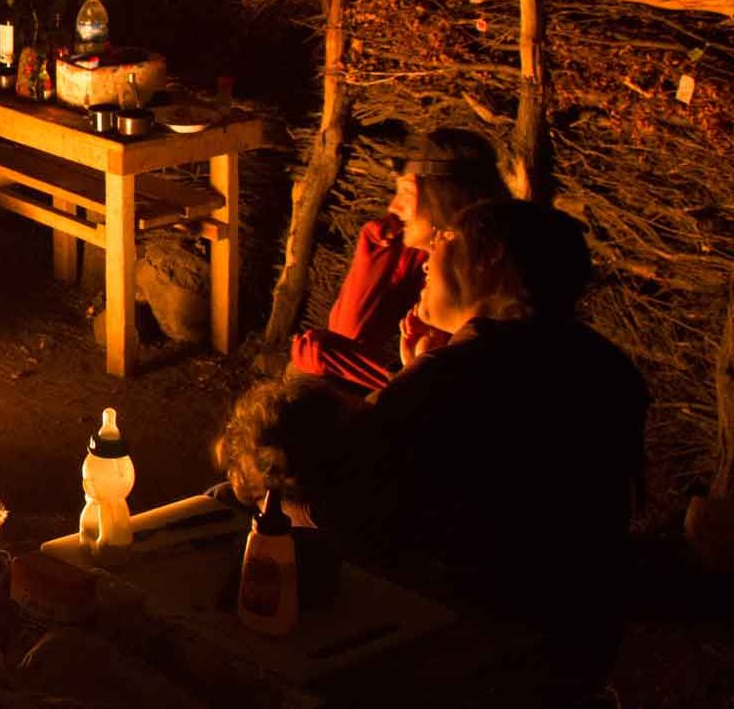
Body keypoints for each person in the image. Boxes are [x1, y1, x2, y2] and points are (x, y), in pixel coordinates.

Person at [225, 199, 647, 701]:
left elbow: (341, 500)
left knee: (266, 494)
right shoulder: (605, 367)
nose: (424, 258)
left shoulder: (453, 381)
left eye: (445, 241)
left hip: (478, 653)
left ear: (491, 260)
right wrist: (420, 370)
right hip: (581, 644)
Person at [289, 128, 509, 396]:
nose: (393, 207)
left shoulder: (491, 276)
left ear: (444, 197)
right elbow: (350, 335)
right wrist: (374, 245)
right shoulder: (420, 260)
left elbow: (455, 393)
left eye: (406, 191)